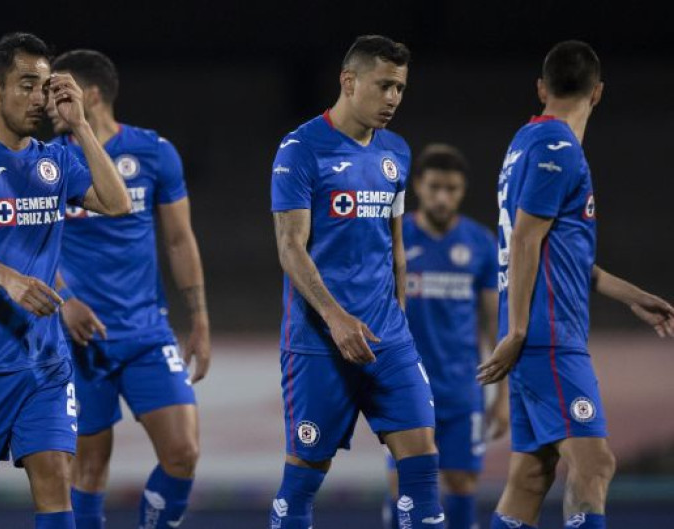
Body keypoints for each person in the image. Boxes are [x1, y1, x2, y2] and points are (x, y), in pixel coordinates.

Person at [0, 33, 130, 529]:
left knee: (55, 478)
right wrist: (10, 280)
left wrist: (81, 126)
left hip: (45, 360)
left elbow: (117, 202)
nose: (40, 98)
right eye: (27, 85)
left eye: (45, 86)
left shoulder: (53, 159)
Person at [479, 40, 674, 529]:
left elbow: (560, 254)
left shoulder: (525, 141)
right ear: (598, 92)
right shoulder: (559, 148)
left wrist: (633, 297)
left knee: (531, 476)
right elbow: (524, 240)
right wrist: (518, 332)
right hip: (546, 335)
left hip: (534, 333)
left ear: (541, 89)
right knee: (595, 463)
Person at [269, 35, 445, 528]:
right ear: (349, 82)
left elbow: (395, 245)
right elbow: (290, 246)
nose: (394, 98)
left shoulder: (396, 152)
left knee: (422, 469)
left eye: (400, 88)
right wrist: (336, 318)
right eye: (384, 85)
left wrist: (399, 320)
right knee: (303, 481)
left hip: (388, 338)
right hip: (319, 342)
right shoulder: (301, 150)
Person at [47, 49, 210, 529]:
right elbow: (29, 244)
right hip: (79, 339)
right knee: (89, 468)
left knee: (183, 453)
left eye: (60, 92)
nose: (49, 104)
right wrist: (64, 301)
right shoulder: (49, 160)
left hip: (146, 334)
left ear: (92, 95)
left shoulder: (154, 152)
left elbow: (179, 239)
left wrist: (199, 318)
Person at [383, 144, 506, 529]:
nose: (442, 197)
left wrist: (503, 397)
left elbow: (495, 324)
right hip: (407, 387)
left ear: (463, 190)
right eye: (434, 186)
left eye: (451, 189)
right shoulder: (396, 237)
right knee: (404, 488)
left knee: (462, 483)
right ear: (418, 185)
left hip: (461, 390)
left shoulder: (480, 243)